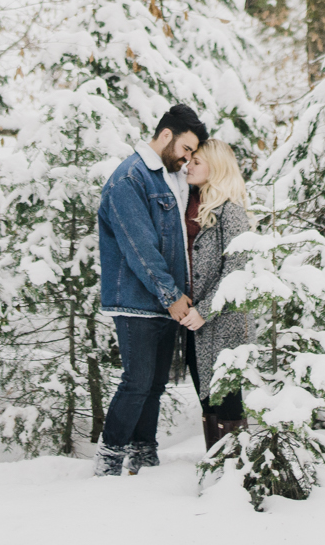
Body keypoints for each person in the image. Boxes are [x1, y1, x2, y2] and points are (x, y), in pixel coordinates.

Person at [94, 104, 208, 476]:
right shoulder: (130, 179)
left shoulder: (168, 177)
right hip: (138, 301)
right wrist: (171, 295)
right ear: (164, 136)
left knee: (155, 384)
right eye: (186, 148)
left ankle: (144, 452)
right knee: (137, 382)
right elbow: (139, 248)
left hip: (164, 301)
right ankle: (109, 458)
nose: (188, 158)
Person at [183, 139, 253, 451]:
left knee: (226, 400)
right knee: (207, 400)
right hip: (195, 323)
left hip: (222, 323)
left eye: (196, 161)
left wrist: (205, 310)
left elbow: (236, 271)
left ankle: (237, 471)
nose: (189, 165)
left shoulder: (232, 212)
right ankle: (216, 465)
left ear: (216, 167)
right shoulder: (193, 206)